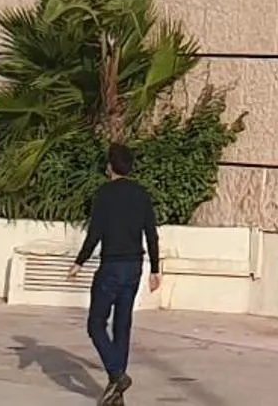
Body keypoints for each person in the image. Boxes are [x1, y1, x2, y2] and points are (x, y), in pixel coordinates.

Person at [72, 141, 161, 402]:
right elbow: (151, 233)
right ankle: (116, 392)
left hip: (111, 266)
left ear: (110, 166)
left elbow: (95, 232)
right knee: (122, 325)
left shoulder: (105, 194)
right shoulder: (142, 194)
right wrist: (156, 269)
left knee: (96, 324)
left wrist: (79, 262)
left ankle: (116, 374)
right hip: (135, 267)